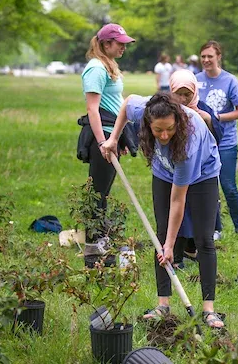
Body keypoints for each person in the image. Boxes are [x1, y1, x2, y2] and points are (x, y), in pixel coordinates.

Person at [101, 93, 225, 329]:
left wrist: (171, 246)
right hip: (163, 171)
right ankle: (163, 305)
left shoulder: (189, 140)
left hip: (204, 173)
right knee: (161, 238)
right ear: (148, 123)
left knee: (203, 238)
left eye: (169, 129)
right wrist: (113, 139)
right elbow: (127, 104)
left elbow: (178, 201)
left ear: (177, 121)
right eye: (158, 131)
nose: (165, 135)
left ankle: (209, 310)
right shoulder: (145, 110)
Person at [80, 23, 135, 267]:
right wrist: (103, 142)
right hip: (101, 137)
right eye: (119, 43)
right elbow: (93, 108)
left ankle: (101, 242)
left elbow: (115, 103)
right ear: (105, 43)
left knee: (104, 192)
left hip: (112, 134)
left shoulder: (108, 66)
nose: (124, 47)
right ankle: (93, 252)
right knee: (97, 193)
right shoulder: (96, 68)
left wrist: (119, 137)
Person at [196, 41, 238, 243]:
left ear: (218, 57)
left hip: (226, 142)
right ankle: (215, 228)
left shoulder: (230, 81)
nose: (206, 60)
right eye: (203, 56)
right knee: (208, 185)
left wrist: (216, 118)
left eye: (210, 56)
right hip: (203, 142)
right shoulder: (195, 80)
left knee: (228, 185)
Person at [169, 69, 224, 269]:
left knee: (198, 212)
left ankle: (193, 249)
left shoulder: (202, 108)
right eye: (179, 94)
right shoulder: (168, 110)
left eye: (187, 94)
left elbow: (218, 136)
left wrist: (208, 119)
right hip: (179, 169)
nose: (183, 99)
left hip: (202, 171)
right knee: (179, 213)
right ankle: (176, 257)